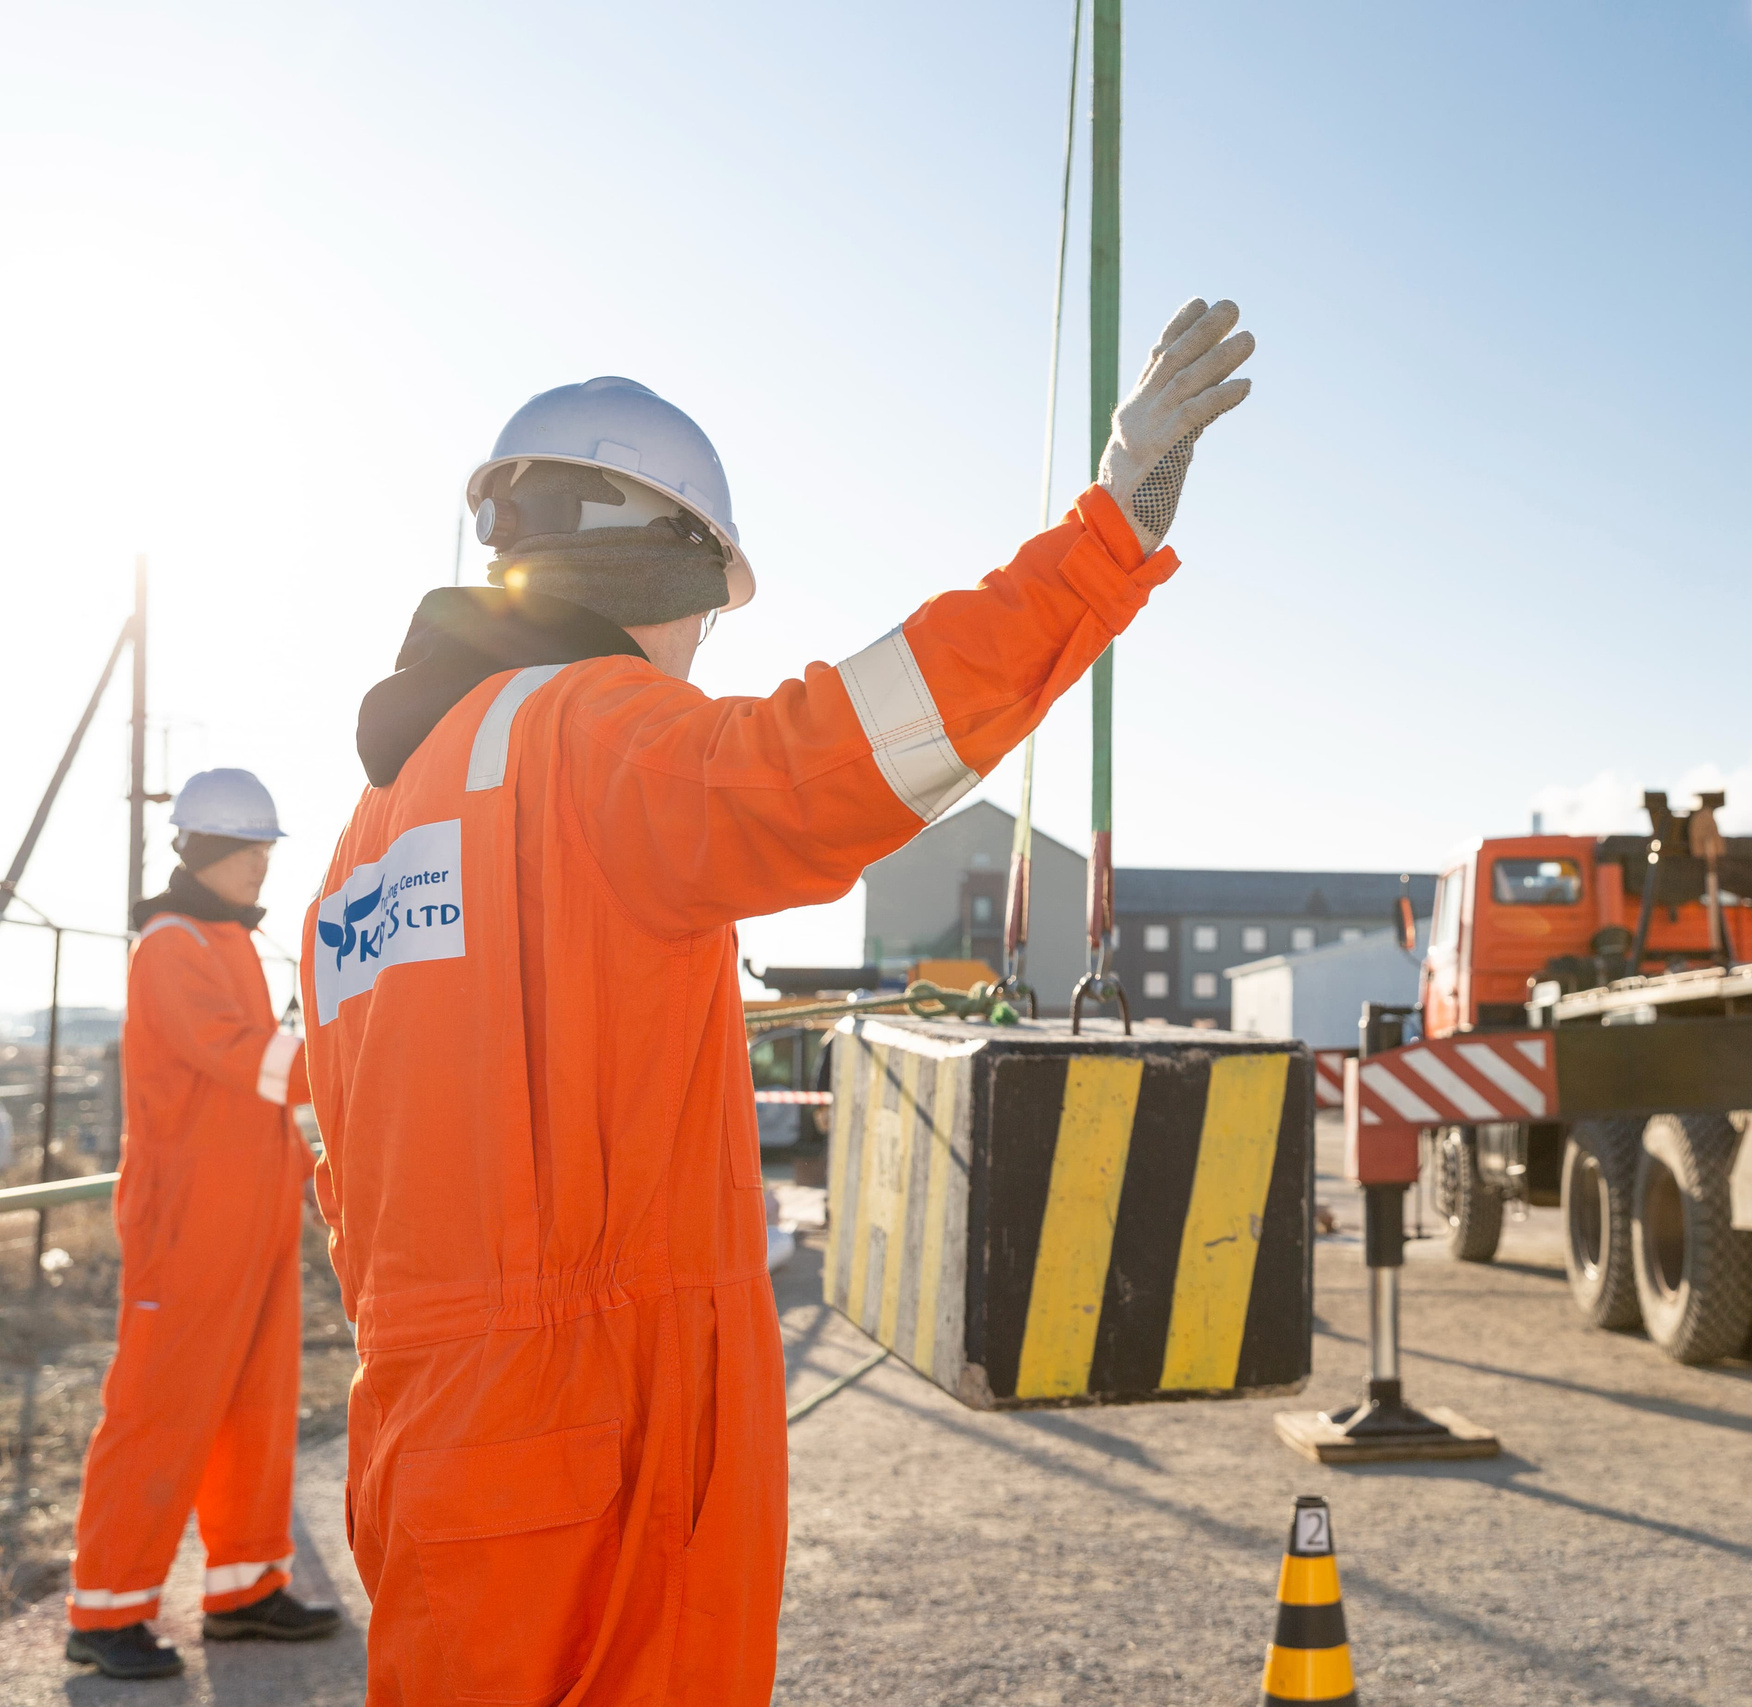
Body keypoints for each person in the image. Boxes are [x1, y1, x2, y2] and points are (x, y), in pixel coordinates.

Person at [300, 298, 1254, 1704]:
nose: (701, 650)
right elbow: (840, 756)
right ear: (662, 561)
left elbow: (347, 1154)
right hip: (592, 1429)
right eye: (706, 610)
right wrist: (1104, 537)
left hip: (428, 1422)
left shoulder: (369, 831)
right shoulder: (590, 731)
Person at [66, 769, 342, 1681]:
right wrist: (363, 1042)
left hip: (250, 1219)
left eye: (268, 849)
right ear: (212, 853)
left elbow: (257, 1087)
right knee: (158, 1408)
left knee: (254, 1407)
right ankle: (105, 1609)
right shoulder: (173, 946)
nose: (264, 865)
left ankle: (245, 1591)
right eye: (253, 849)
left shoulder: (221, 939)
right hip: (188, 1228)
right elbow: (253, 1065)